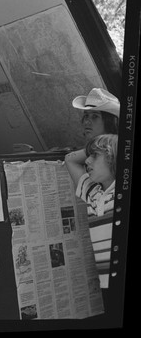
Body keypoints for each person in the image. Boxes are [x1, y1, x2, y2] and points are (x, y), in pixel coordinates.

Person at [64, 133, 118, 312]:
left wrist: (116, 142)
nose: (87, 161)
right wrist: (93, 147)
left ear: (113, 157)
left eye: (95, 155)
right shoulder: (94, 195)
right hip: (107, 286)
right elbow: (70, 160)